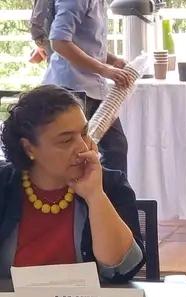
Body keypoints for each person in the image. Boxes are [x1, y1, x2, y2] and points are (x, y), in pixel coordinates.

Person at [0, 85, 144, 282]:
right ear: (29, 148)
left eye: (84, 133)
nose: (83, 147)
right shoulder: (4, 185)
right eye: (66, 141)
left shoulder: (110, 184)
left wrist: (95, 195)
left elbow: (122, 268)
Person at [43, 0, 134, 174]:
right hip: (71, 87)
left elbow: (88, 43)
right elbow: (59, 41)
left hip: (94, 88)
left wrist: (112, 60)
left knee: (116, 148)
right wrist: (104, 69)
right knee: (81, 152)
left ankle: (108, 191)